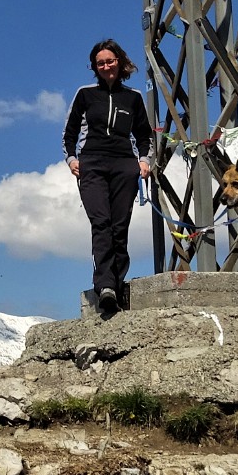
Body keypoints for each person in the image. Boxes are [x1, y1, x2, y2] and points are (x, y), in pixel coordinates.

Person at [63, 39, 153, 314]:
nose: (105, 67)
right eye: (100, 63)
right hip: (92, 164)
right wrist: (71, 159)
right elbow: (69, 132)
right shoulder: (85, 94)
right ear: (95, 67)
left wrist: (144, 162)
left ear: (119, 62)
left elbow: (144, 135)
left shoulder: (134, 97)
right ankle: (105, 286)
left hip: (124, 165)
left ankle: (117, 283)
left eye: (110, 61)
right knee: (101, 222)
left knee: (119, 225)